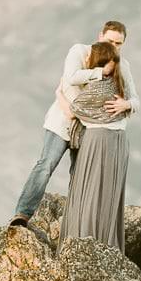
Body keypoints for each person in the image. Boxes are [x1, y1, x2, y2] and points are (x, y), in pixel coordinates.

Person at [8, 19, 138, 228]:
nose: (113, 46)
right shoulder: (80, 51)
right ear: (100, 36)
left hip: (90, 128)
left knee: (80, 175)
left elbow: (135, 99)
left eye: (118, 43)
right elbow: (70, 78)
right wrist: (101, 72)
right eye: (110, 40)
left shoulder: (123, 64)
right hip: (63, 121)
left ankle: (75, 224)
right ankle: (22, 215)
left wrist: (127, 104)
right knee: (46, 164)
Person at [57, 41, 131, 252]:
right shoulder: (118, 86)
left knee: (89, 191)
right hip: (118, 140)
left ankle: (85, 242)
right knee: (108, 193)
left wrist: (59, 94)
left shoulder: (98, 87)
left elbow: (73, 111)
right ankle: (108, 244)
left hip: (97, 140)